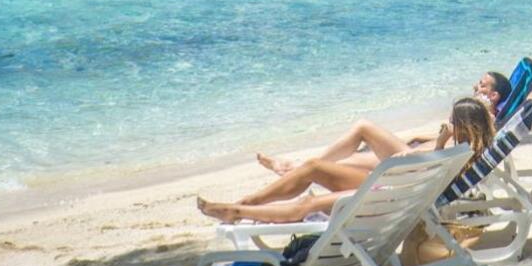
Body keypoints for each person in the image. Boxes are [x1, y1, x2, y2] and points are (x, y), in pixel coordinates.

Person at [200, 97, 495, 223]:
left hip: (390, 198)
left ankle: (240, 210)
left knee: (309, 201)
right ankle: (248, 203)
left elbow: (412, 162)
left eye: (452, 120)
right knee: (315, 171)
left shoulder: (451, 151)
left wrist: (435, 144)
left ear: (463, 126)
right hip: (398, 191)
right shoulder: (466, 151)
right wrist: (437, 144)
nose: (447, 122)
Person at [254, 71, 510, 176]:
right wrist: (424, 139)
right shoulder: (479, 122)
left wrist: (435, 141)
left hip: (414, 163)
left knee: (364, 127)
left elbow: (449, 146)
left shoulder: (482, 120)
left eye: (482, 85)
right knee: (339, 162)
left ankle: (292, 168)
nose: (476, 86)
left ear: (494, 96)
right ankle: (291, 167)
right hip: (418, 155)